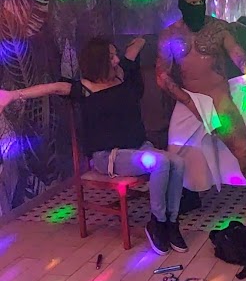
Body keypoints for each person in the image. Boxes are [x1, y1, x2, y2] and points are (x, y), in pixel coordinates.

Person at [0, 37, 187, 256]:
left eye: (115, 55)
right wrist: (13, 95)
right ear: (99, 61)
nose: (116, 60)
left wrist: (140, 42)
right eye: (111, 57)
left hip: (138, 149)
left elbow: (135, 48)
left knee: (178, 162)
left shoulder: (122, 75)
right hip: (108, 156)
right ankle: (157, 222)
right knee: (161, 162)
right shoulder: (84, 89)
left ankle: (171, 223)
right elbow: (53, 88)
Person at [156, 0, 246, 235]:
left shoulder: (218, 29)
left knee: (244, 152)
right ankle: (182, 203)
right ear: (181, 6)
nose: (197, 8)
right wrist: (186, 100)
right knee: (176, 155)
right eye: (192, 4)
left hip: (219, 100)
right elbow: (162, 75)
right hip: (188, 101)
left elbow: (238, 54)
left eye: (201, 3)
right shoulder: (170, 35)